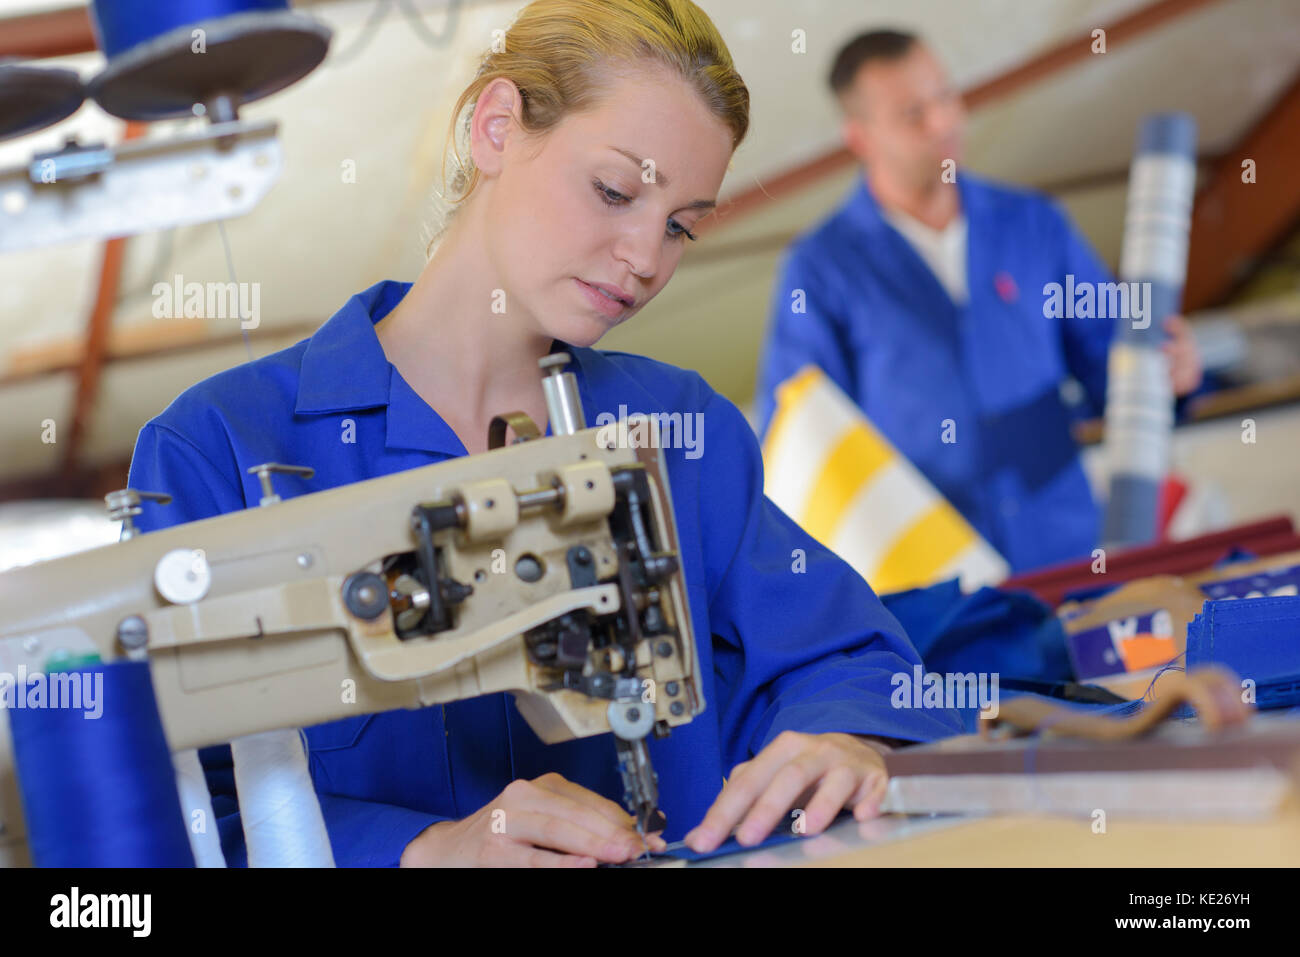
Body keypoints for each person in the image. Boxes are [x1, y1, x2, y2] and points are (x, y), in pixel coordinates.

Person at [127, 0, 961, 868]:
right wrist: (421, 850)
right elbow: (172, 818)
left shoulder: (683, 433)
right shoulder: (217, 448)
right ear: (496, 128)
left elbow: (853, 661)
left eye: (681, 225)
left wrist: (848, 741)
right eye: (614, 191)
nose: (645, 257)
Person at [756, 30, 1203, 573]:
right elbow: (803, 444)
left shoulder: (1035, 225)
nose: (943, 123)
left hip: (1068, 553)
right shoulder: (821, 269)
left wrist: (1169, 377)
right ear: (860, 136)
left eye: (946, 97)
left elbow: (1113, 367)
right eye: (913, 114)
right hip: (936, 582)